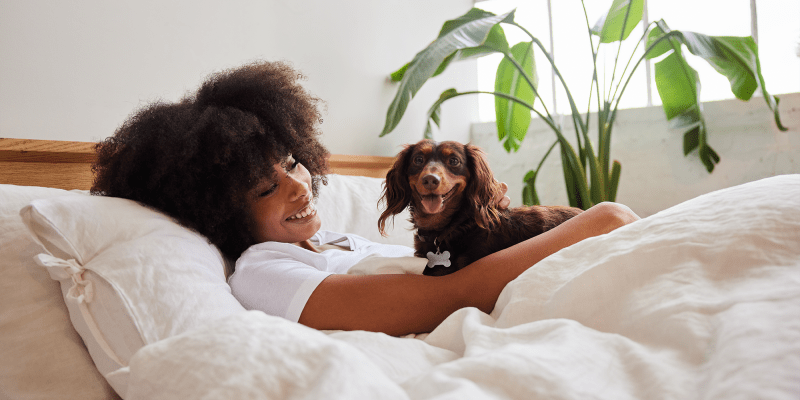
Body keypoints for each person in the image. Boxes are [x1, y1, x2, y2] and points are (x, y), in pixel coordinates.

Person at [92, 61, 640, 337]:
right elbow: (446, 298)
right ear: (221, 212)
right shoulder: (263, 271)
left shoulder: (331, 240)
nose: (300, 185)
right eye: (266, 187)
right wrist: (597, 221)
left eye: (290, 163)